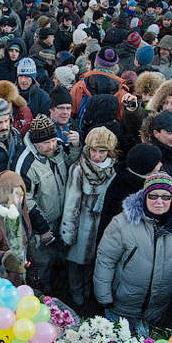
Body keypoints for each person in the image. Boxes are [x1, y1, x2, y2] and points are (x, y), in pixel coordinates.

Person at [94, 172, 172, 332]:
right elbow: (105, 260)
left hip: (159, 309)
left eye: (165, 197)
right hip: (122, 307)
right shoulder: (121, 223)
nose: (159, 202)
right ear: (144, 196)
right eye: (153, 196)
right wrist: (104, 297)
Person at [14, 114, 78, 293]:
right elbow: (25, 199)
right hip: (42, 224)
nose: (51, 146)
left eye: (53, 140)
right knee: (43, 262)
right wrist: (42, 228)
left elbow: (73, 165)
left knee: (60, 257)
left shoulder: (59, 149)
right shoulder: (26, 163)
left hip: (62, 217)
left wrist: (75, 147)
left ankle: (59, 286)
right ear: (35, 143)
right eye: (46, 143)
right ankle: (42, 291)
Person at [60, 127, 118, 308]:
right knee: (75, 264)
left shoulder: (113, 170)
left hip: (101, 226)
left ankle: (87, 290)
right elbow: (71, 203)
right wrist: (68, 233)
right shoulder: (78, 169)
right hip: (81, 226)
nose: (96, 155)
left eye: (102, 151)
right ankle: (76, 293)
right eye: (93, 150)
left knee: (94, 263)